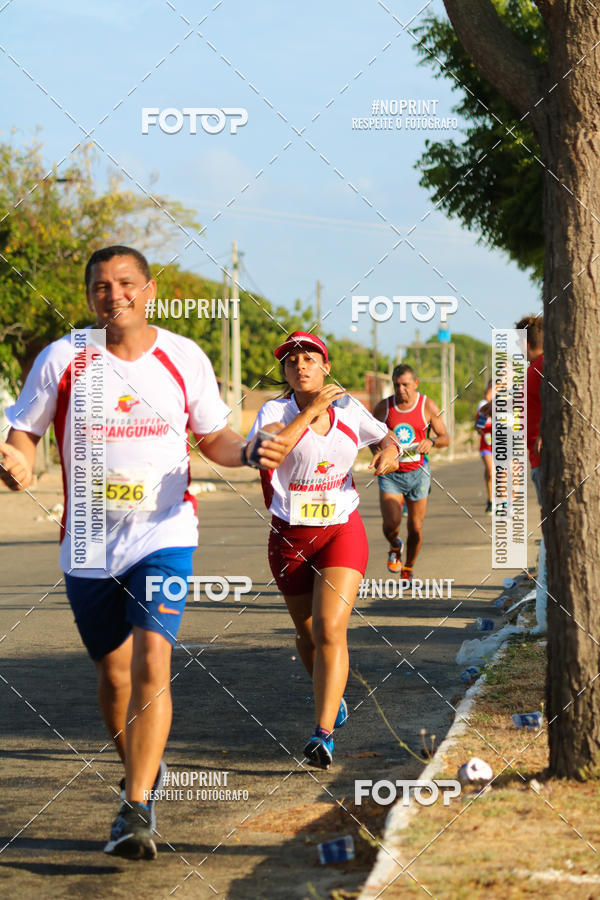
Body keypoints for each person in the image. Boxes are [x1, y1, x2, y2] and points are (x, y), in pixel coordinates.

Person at [0, 246, 285, 860]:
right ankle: (141, 774)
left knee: (154, 657)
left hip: (165, 533)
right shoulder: (63, 359)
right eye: (101, 286)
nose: (114, 295)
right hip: (87, 540)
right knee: (114, 675)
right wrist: (16, 463)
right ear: (89, 296)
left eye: (125, 282)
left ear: (149, 289)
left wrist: (248, 451)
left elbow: (214, 437)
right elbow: (23, 436)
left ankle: (135, 808)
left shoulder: (182, 356)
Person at [249, 331, 401, 769]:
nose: (300, 366)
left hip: (340, 530)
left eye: (309, 358)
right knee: (309, 634)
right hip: (290, 536)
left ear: (325, 367)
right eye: (291, 361)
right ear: (285, 372)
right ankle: (333, 696)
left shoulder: (349, 408)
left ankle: (323, 734)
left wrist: (389, 451)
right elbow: (268, 454)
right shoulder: (274, 412)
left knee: (331, 629)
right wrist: (311, 410)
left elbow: (387, 438)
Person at [373, 364, 450, 580]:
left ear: (416, 383)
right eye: (396, 385)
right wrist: (379, 454)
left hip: (418, 473)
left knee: (415, 527)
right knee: (391, 524)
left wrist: (431, 441)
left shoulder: (427, 406)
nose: (401, 390)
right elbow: (370, 435)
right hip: (391, 474)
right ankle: (394, 544)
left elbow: (445, 438)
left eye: (405, 385)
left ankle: (408, 567)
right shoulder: (384, 407)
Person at [516, 313, 546, 634]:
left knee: (548, 519)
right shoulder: (535, 368)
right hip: (537, 458)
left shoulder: (542, 367)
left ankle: (549, 577)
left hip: (543, 459)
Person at [475, 381, 494, 514]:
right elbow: (478, 426)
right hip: (486, 445)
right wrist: (481, 429)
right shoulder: (483, 407)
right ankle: (491, 500)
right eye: (489, 389)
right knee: (491, 471)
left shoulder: (505, 404)